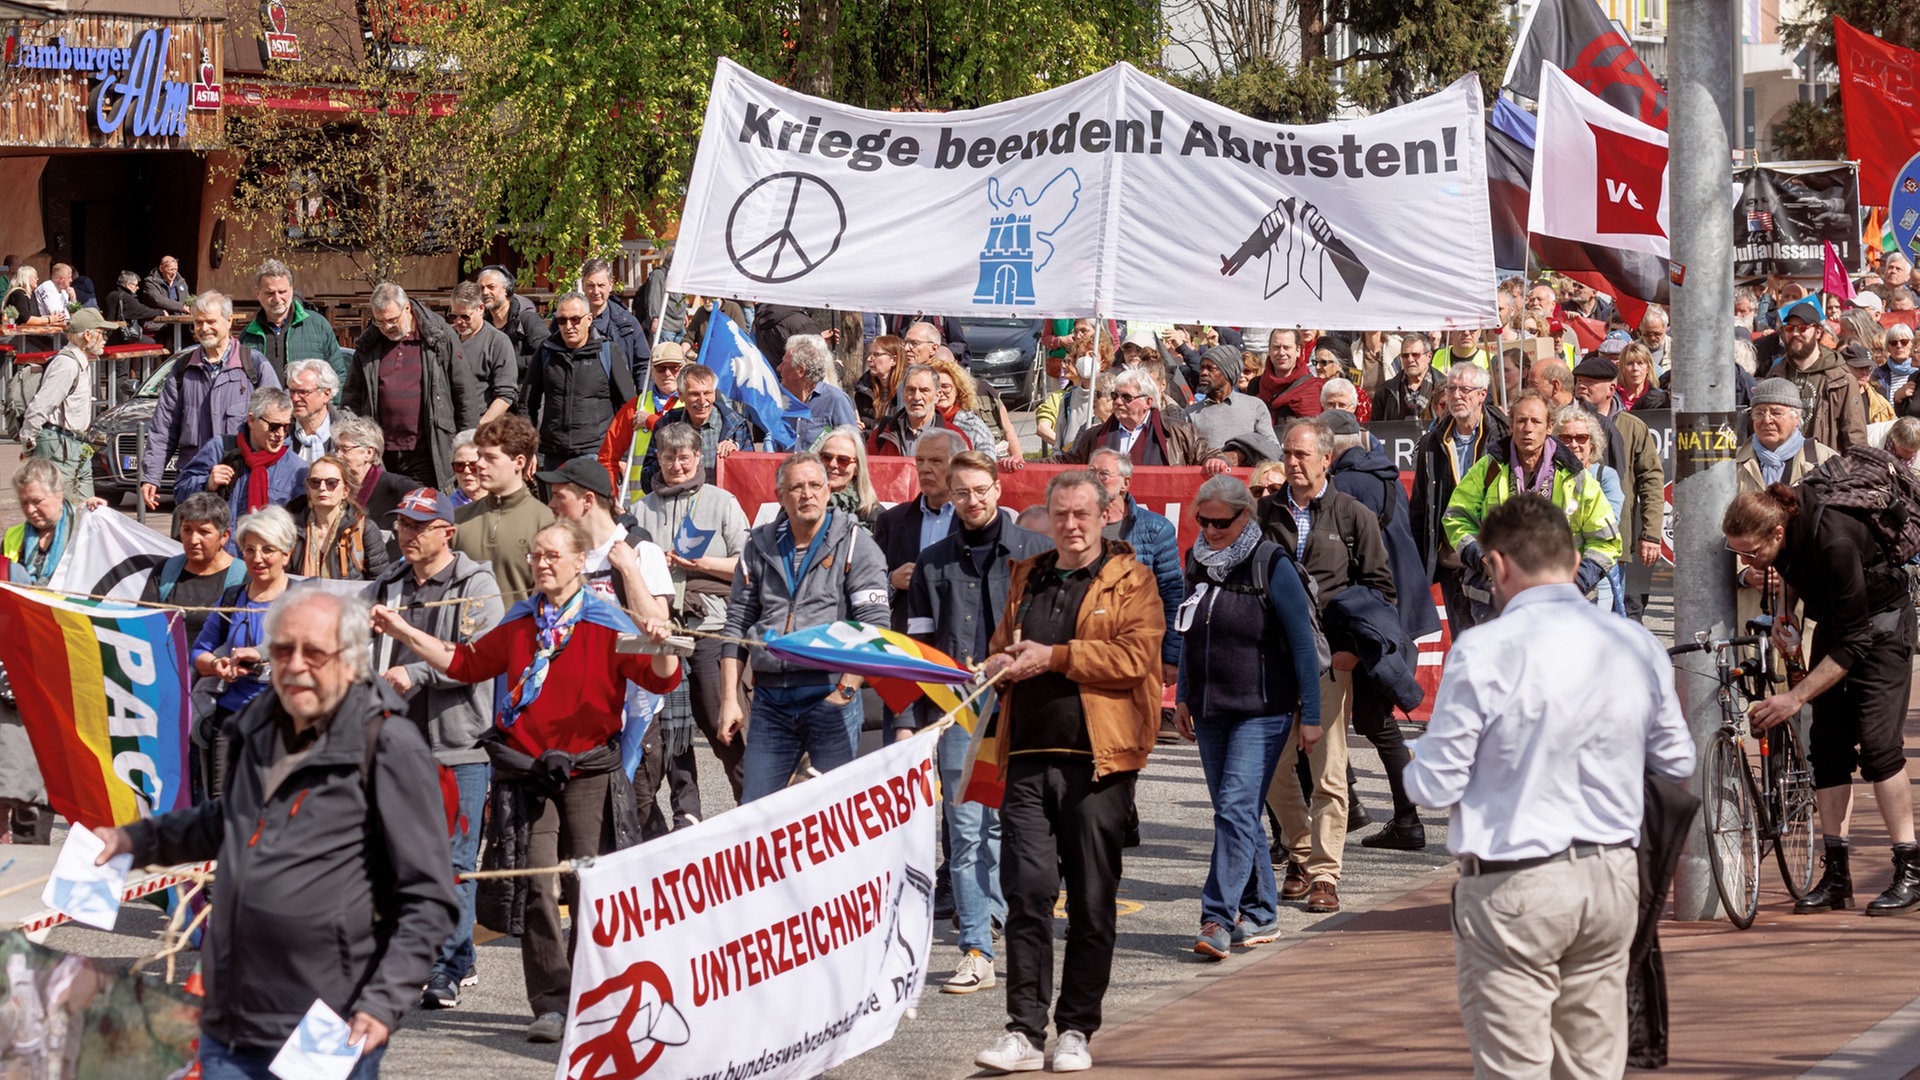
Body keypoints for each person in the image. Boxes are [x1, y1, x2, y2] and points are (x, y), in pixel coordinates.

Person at [98, 587, 457, 1079]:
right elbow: (228, 822)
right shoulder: (257, 726)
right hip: (232, 1022)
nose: (295, 665)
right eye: (283, 650)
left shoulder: (389, 746)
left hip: (327, 1025)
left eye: (314, 652)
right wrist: (133, 841)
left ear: (351, 662)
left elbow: (428, 898)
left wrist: (384, 1001)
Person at [1404, 493, 1695, 1080]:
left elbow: (1434, 785)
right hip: (1610, 875)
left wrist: (1418, 760)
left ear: (1498, 565)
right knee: (1592, 1065)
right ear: (1572, 558)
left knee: (1516, 1067)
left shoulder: (1484, 649)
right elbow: (1677, 759)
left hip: (1515, 881)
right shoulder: (1633, 643)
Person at [369, 520, 683, 1043]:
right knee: (537, 884)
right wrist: (404, 633)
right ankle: (551, 1004)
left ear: (580, 562)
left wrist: (661, 643)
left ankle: (593, 996)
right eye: (536, 555)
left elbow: (661, 677)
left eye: (553, 555)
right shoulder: (520, 623)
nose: (542, 563)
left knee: (589, 884)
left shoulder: (607, 620)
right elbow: (465, 664)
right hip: (528, 771)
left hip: (587, 768)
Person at [971, 470, 1162, 1076]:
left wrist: (1055, 657)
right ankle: (1024, 1031)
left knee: (1092, 900)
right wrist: (998, 662)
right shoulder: (1027, 576)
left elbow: (1135, 658)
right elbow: (1008, 645)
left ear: (1106, 514)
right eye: (1061, 515)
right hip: (1025, 757)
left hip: (1099, 763)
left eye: (1082, 514)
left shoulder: (1134, 579)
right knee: (1027, 895)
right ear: (1048, 518)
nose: (1071, 525)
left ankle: (1077, 1027)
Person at [1727, 483, 1920, 915]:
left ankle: (1910, 869)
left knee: (1878, 747)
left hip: (1883, 624)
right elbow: (1791, 570)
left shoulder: (1833, 541)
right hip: (1840, 622)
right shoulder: (1785, 527)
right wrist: (1783, 613)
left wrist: (1794, 699)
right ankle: (1837, 874)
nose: (1746, 562)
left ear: (1776, 533)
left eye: (1751, 552)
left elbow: (1854, 646)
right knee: (1828, 750)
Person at [906, 450, 1052, 994]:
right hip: (957, 709)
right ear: (950, 495)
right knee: (965, 833)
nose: (972, 501)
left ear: (998, 489)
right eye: (961, 492)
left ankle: (1016, 928)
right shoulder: (933, 561)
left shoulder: (1037, 553)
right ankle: (975, 948)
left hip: (1025, 708)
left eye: (981, 490)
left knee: (1020, 830)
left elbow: (1059, 630)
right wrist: (912, 718)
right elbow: (918, 649)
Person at [365, 487, 503, 1010]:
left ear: (447, 532)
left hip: (459, 744)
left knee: (454, 859)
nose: (407, 534)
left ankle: (451, 965)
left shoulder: (476, 583)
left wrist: (414, 670)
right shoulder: (390, 583)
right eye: (402, 524)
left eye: (419, 526)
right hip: (396, 743)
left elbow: (477, 654)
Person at [1173, 475, 1321, 959]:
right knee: (1237, 814)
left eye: (1222, 522)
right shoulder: (1198, 560)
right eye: (1204, 520)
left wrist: (1312, 715)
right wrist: (1184, 695)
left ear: (1245, 517)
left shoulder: (1270, 562)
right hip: (1211, 710)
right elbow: (1191, 631)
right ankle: (1261, 912)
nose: (1211, 530)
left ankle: (1218, 916)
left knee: (1235, 809)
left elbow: (1302, 644)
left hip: (1263, 710)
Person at [1259, 419, 1394, 914]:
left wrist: (1351, 652)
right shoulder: (1264, 512)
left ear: (1325, 460)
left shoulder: (1353, 515)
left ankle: (1324, 875)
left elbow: (1381, 592)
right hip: (1273, 660)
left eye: (1302, 455)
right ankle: (1299, 853)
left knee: (1328, 772)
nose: (1293, 463)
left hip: (1329, 662)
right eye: (1287, 454)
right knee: (1273, 769)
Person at [718, 453, 889, 802]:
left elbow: (873, 629)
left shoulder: (857, 544)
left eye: (815, 485)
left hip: (831, 700)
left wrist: (844, 692)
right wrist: (728, 700)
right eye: (796, 487)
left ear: (828, 492)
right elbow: (735, 624)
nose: (807, 494)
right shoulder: (758, 545)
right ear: (781, 496)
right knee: (757, 813)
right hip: (770, 703)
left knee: (833, 817)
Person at [535, 456, 678, 836]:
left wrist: (628, 570)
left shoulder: (639, 550)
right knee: (591, 818)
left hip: (636, 709)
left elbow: (660, 629)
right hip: (586, 708)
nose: (550, 505)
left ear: (586, 501)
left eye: (558, 496)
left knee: (636, 809)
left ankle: (656, 889)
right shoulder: (567, 559)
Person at [1323, 412, 1440, 851]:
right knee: (1371, 718)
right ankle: (1388, 814)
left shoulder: (1347, 485)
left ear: (1330, 450)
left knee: (1363, 717)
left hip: (1368, 616)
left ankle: (1394, 816)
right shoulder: (1383, 474)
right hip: (1393, 608)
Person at [628, 422, 752, 810]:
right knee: (666, 732)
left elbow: (748, 567)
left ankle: (753, 806)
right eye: (669, 457)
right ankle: (687, 815)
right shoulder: (639, 510)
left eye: (684, 457)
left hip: (711, 627)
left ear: (699, 457)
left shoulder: (723, 501)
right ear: (659, 459)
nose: (677, 465)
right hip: (659, 633)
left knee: (724, 726)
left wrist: (702, 563)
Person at [1443, 390, 1620, 624]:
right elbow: (1456, 516)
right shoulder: (1489, 468)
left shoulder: (1575, 475)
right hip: (1497, 598)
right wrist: (1482, 558)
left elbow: (1607, 541)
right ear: (1511, 425)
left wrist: (1576, 580)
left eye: (1536, 421)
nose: (1528, 428)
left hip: (1564, 602)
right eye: (1521, 421)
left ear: (1549, 427)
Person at [189, 506, 300, 800]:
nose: (257, 558)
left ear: (287, 553)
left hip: (285, 721)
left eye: (268, 549)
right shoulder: (231, 598)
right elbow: (198, 651)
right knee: (223, 810)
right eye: (249, 549)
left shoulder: (303, 601)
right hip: (231, 719)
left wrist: (264, 655)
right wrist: (217, 665)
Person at [141, 291, 281, 512]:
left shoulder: (253, 365)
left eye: (211, 321)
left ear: (229, 320)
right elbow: (163, 429)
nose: (204, 328)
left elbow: (278, 422)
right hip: (195, 484)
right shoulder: (182, 369)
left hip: (243, 484)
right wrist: (151, 476)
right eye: (198, 322)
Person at [345, 283, 484, 490]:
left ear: (407, 308)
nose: (387, 327)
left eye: (392, 320)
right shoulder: (370, 344)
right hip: (381, 451)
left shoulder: (439, 337)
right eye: (380, 322)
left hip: (427, 449)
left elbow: (463, 392)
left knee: (421, 513)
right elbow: (352, 396)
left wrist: (467, 442)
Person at [1410, 364, 1509, 633]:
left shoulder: (1503, 437)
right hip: (1452, 561)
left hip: (1493, 560)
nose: (1457, 396)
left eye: (1465, 390)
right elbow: (1420, 507)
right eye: (1452, 389)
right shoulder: (1432, 443)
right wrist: (1421, 564)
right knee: (1463, 643)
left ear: (1482, 394)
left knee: (1496, 640)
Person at [1568, 354, 1665, 621]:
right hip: (1572, 543)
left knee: (1621, 616)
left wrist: (1651, 534)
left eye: (1590, 383)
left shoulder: (1631, 427)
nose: (1582, 388)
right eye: (1579, 382)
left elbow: (1652, 481)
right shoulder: (1565, 424)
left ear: (1611, 388)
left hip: (1619, 540)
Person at [1086, 449, 1184, 693]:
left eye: (1104, 474)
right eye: (1090, 473)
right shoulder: (1072, 525)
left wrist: (1171, 657)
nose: (1094, 479)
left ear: (1124, 484)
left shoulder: (1155, 528)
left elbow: (1172, 595)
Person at [517, 290, 637, 471]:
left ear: (589, 320)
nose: (568, 326)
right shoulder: (545, 351)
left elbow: (628, 407)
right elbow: (527, 404)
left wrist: (624, 454)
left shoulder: (607, 351)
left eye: (575, 319)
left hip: (595, 454)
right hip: (553, 455)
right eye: (561, 320)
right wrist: (528, 449)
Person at [453, 414, 554, 608]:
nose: (479, 465)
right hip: (464, 635)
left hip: (522, 634)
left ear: (519, 462)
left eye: (490, 458)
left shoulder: (546, 523)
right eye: (480, 456)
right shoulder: (458, 519)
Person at [175, 387, 309, 527]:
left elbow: (301, 527)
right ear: (252, 420)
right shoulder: (220, 448)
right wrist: (207, 484)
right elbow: (180, 492)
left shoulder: (297, 469)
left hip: (266, 547)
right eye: (274, 426)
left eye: (286, 427)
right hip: (221, 547)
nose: (280, 434)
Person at [875, 431, 960, 649]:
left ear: (958, 466)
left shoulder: (978, 523)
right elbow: (867, 591)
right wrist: (892, 581)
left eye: (935, 461)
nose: (924, 469)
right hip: (906, 648)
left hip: (960, 646)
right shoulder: (891, 522)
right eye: (920, 461)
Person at [626, 362, 752, 501]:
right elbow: (646, 482)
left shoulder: (735, 425)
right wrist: (668, 457)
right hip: (677, 509)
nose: (702, 401)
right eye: (694, 394)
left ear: (714, 394)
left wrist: (737, 456)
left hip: (720, 509)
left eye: (707, 393)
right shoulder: (666, 425)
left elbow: (752, 479)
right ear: (681, 394)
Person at [141, 493, 248, 645]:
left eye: (204, 532)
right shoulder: (165, 571)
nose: (193, 540)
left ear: (224, 536)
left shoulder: (244, 578)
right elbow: (143, 625)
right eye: (187, 530)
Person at [21, 308, 106, 498]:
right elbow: (40, 406)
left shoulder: (81, 361)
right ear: (87, 335)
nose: (105, 338)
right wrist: (28, 446)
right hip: (59, 447)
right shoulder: (66, 364)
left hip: (76, 446)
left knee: (85, 514)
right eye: (101, 333)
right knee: (61, 512)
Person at [1768, 296, 1867, 452]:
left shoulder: (1840, 378)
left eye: (1802, 328)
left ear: (1818, 332)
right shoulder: (1776, 374)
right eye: (1789, 328)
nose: (1794, 333)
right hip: (1782, 466)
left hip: (1824, 468)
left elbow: (1855, 437)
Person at [1055, 367, 1210, 466]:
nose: (1118, 401)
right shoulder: (1094, 435)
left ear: (1147, 402)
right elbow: (1067, 462)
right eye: (1115, 395)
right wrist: (1031, 465)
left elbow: (1209, 456)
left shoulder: (1181, 433)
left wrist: (1216, 461)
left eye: (1126, 397)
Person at [598, 342, 689, 505]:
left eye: (674, 367)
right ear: (652, 370)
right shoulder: (635, 407)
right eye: (661, 368)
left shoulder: (692, 403)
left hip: (683, 501)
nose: (667, 373)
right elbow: (608, 457)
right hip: (643, 506)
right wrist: (610, 500)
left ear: (683, 369)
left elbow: (696, 439)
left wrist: (651, 421)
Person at [1554, 406, 1625, 612]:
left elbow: (1611, 520)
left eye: (1581, 437)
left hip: (1594, 578)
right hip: (1555, 576)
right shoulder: (1549, 476)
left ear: (1592, 443)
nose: (1573, 444)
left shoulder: (1605, 475)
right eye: (1566, 438)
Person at [238, 259, 345, 384]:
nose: (277, 299)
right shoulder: (247, 336)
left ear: (292, 290)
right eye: (270, 293)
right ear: (258, 294)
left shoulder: (318, 325)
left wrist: (331, 404)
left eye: (282, 292)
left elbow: (339, 374)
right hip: (266, 403)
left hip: (308, 404)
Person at [288, 455, 390, 580]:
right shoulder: (291, 528)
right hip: (299, 597)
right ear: (308, 489)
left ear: (345, 491)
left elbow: (380, 581)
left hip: (351, 599)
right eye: (315, 482)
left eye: (331, 483)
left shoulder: (364, 530)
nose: (322, 488)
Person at [1184, 345, 1276, 467]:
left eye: (1211, 368)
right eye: (1202, 368)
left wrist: (1240, 454)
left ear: (1228, 372)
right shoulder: (1190, 413)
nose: (1204, 373)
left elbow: (1272, 447)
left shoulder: (1254, 406)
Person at [447, 281, 519, 426]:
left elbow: (505, 396)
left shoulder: (498, 342)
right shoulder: (446, 337)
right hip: (447, 424)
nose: (459, 322)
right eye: (453, 316)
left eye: (465, 316)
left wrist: (479, 427)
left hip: (479, 426)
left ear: (481, 309)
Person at [3, 458, 82, 586]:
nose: (30, 510)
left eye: (37, 501)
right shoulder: (12, 537)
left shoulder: (84, 531)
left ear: (59, 494)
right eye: (24, 503)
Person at [335, 416, 421, 524]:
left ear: (368, 453)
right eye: (337, 449)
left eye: (345, 449)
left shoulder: (398, 487)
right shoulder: (334, 486)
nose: (338, 456)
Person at [780, 331, 859, 450]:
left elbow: (852, 446)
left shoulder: (835, 399)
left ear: (800, 371)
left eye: (784, 364)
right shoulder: (782, 401)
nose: (778, 368)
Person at [576, 257, 649, 382]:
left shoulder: (628, 323)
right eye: (590, 285)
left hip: (617, 396)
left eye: (601, 285)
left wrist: (640, 397)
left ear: (610, 285)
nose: (596, 291)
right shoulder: (568, 321)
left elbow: (643, 365)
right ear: (582, 285)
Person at [870, 363, 966, 456]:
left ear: (937, 395)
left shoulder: (955, 437)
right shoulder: (882, 434)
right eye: (911, 390)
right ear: (903, 393)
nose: (916, 397)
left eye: (924, 391)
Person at [478, 266, 548, 376]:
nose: (485, 292)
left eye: (491, 287)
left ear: (507, 289)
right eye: (481, 288)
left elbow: (546, 354)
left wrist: (507, 363)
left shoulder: (527, 320)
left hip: (521, 389)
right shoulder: (482, 325)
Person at [819, 425, 881, 530]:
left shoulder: (875, 516)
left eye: (843, 459)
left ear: (857, 468)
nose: (833, 464)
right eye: (827, 457)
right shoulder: (799, 502)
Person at [1373, 332, 1444, 422]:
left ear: (1429, 356)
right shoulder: (1385, 392)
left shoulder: (1447, 390)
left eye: (1415, 355)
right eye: (1405, 355)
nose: (1410, 360)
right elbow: (1377, 431)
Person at [285, 359, 345, 464]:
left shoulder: (348, 434)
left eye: (303, 392)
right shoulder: (280, 432)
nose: (295, 398)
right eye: (292, 391)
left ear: (326, 394)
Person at [1256, 328, 1323, 422]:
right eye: (1276, 347)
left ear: (1298, 350)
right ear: (1269, 351)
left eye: (1287, 347)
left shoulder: (1312, 387)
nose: (1281, 353)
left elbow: (1314, 430)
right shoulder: (1256, 385)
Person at [102, 270, 166, 346]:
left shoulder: (110, 295)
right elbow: (144, 311)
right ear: (128, 285)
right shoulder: (126, 298)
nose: (138, 288)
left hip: (109, 336)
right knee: (151, 343)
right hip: (121, 337)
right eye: (136, 285)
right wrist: (161, 312)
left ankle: (135, 358)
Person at [854, 334, 905, 429]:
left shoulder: (907, 393)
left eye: (876, 354)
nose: (869, 359)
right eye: (869, 354)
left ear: (893, 360)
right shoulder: (863, 392)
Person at [1844, 343, 1896, 424]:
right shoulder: (1837, 395)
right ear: (1845, 367)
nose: (1865, 373)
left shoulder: (1879, 393)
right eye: (1859, 368)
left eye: (1868, 368)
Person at [1615, 342, 1667, 411]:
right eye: (1630, 363)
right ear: (1622, 367)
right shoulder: (1612, 394)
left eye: (1640, 363)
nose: (1635, 368)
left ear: (1648, 368)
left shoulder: (1659, 398)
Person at [449, 430, 484, 507]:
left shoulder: (504, 503)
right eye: (459, 465)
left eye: (473, 465)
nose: (466, 471)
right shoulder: (446, 510)